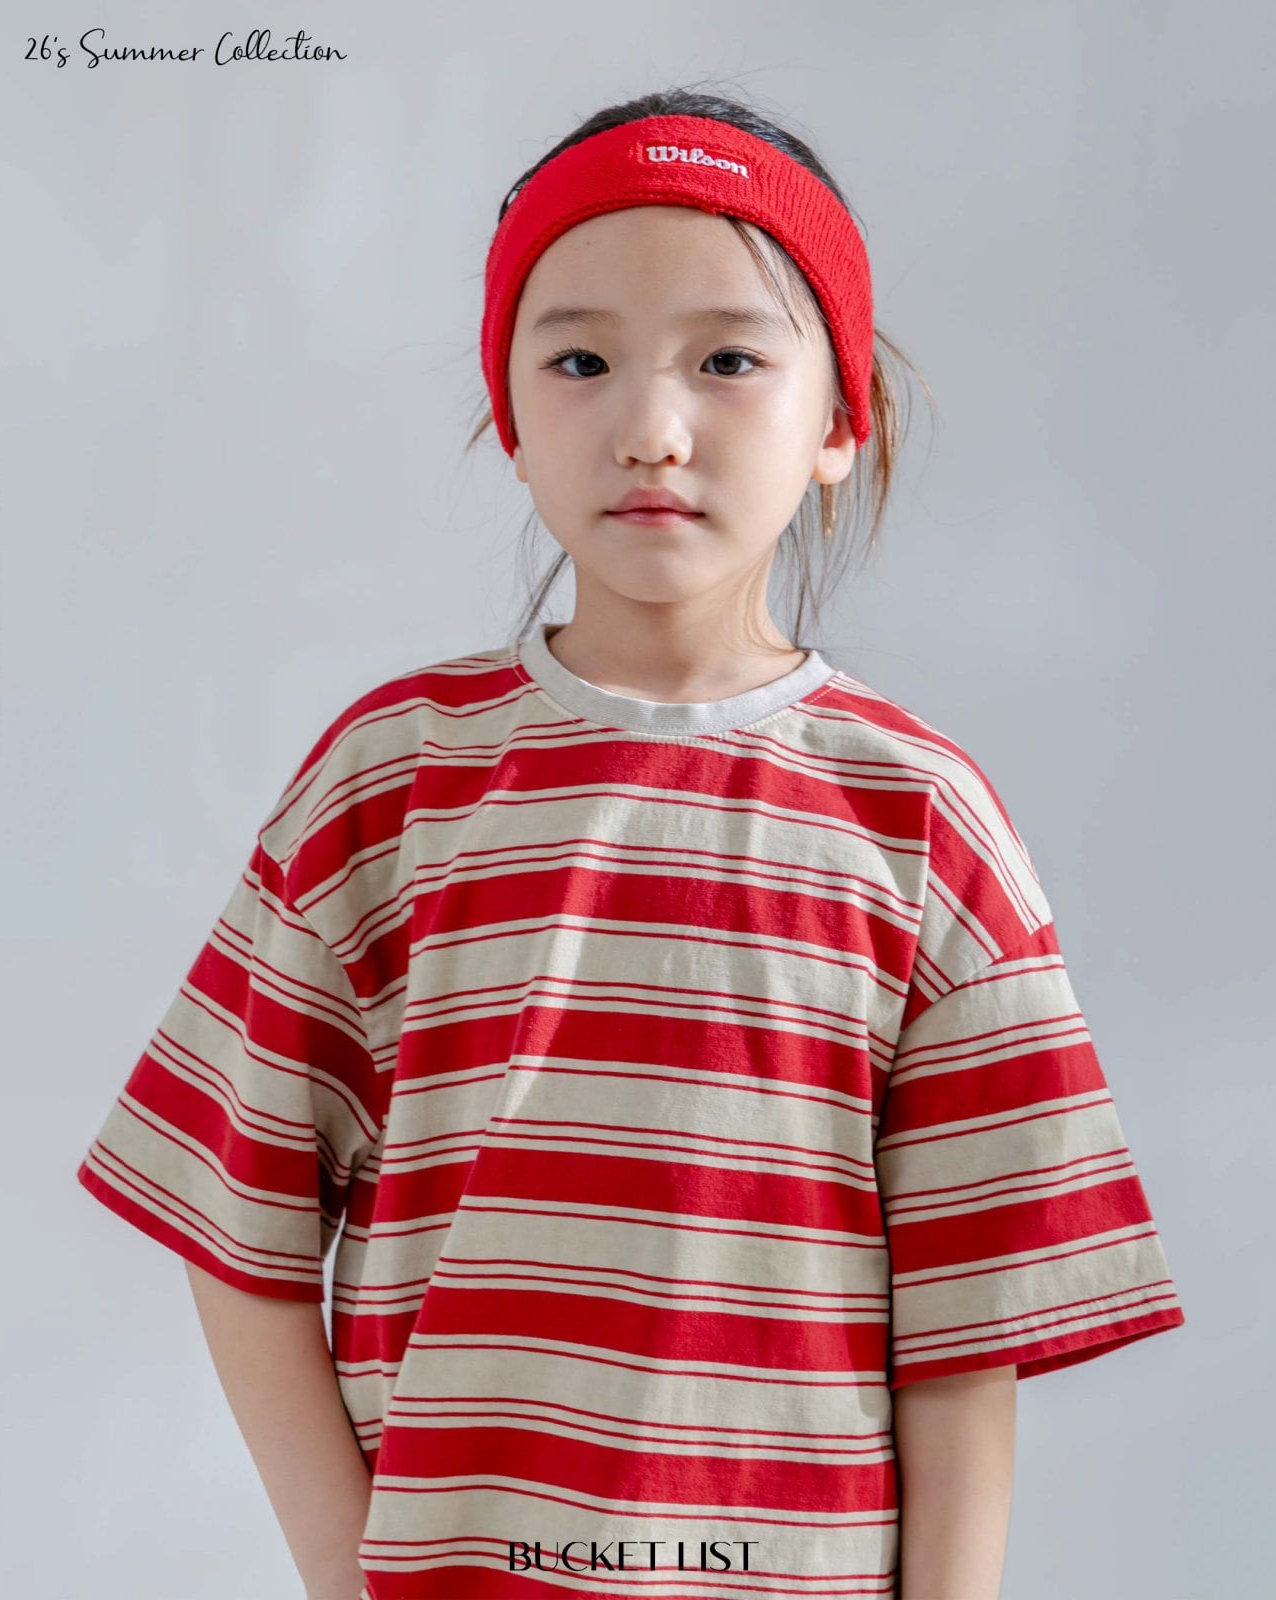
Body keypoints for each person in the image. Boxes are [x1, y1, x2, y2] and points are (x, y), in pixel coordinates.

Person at [76, 87, 1185, 1600]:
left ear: (839, 421)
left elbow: (966, 1331)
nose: (652, 429)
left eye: (728, 360)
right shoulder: (389, 785)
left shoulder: (924, 823)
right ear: (510, 417)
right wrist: (355, 1575)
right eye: (581, 360)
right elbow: (236, 1225)